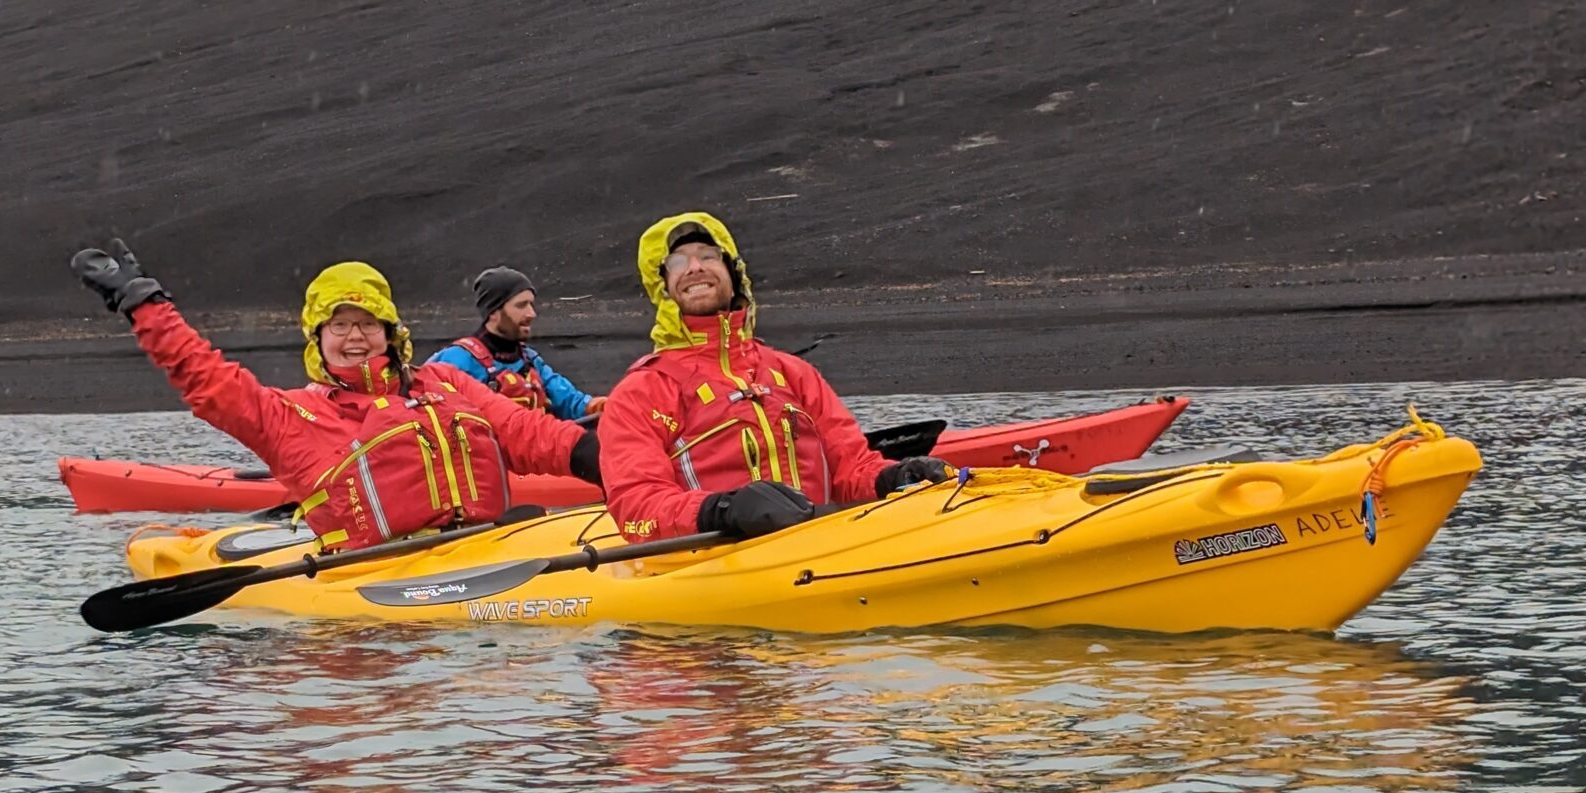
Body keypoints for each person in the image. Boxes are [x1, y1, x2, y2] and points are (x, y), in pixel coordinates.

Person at [71, 239, 600, 551]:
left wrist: (599, 457)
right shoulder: (291, 415)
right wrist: (145, 305)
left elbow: (528, 433)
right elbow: (205, 379)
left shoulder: (446, 384)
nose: (354, 337)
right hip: (383, 573)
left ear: (391, 332)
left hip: (486, 548)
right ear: (318, 339)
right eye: (339, 325)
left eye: (368, 324)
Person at [596, 212, 947, 541]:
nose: (694, 268)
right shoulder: (642, 391)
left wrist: (893, 477)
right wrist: (722, 510)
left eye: (708, 256)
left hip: (819, 549)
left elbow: (852, 468)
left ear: (733, 277)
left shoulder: (792, 373)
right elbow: (636, 507)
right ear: (663, 288)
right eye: (677, 263)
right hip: (713, 564)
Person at [425, 265, 607, 419]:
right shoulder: (455, 360)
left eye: (531, 304)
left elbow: (570, 402)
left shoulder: (529, 360)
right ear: (493, 312)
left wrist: (600, 407)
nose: (531, 314)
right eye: (521, 306)